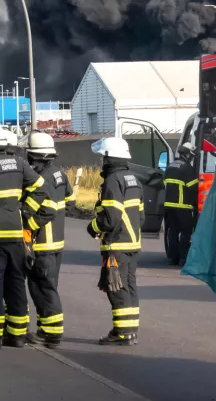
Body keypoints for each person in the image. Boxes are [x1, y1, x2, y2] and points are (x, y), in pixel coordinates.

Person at [0, 123, 54, 350]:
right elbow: (41, 188)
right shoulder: (19, 163)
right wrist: (25, 211)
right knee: (15, 283)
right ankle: (17, 335)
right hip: (15, 235)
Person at [87, 137, 143, 346]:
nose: (101, 161)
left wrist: (93, 227)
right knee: (128, 286)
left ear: (110, 158)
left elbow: (110, 216)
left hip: (116, 245)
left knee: (115, 287)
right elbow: (141, 216)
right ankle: (130, 331)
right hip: (132, 244)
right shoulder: (133, 179)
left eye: (103, 157)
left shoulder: (113, 181)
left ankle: (121, 332)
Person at [23, 132, 73, 349]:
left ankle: (51, 334)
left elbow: (48, 210)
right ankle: (45, 327)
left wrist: (28, 227)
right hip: (57, 242)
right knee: (48, 285)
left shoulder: (42, 178)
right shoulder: (60, 175)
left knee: (42, 286)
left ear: (34, 157)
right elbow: (69, 202)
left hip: (43, 243)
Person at [163, 142, 198, 266]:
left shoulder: (170, 166)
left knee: (172, 231)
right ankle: (183, 258)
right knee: (185, 232)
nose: (192, 158)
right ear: (188, 154)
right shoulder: (187, 168)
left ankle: (173, 258)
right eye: (192, 156)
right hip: (183, 206)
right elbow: (194, 187)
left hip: (168, 206)